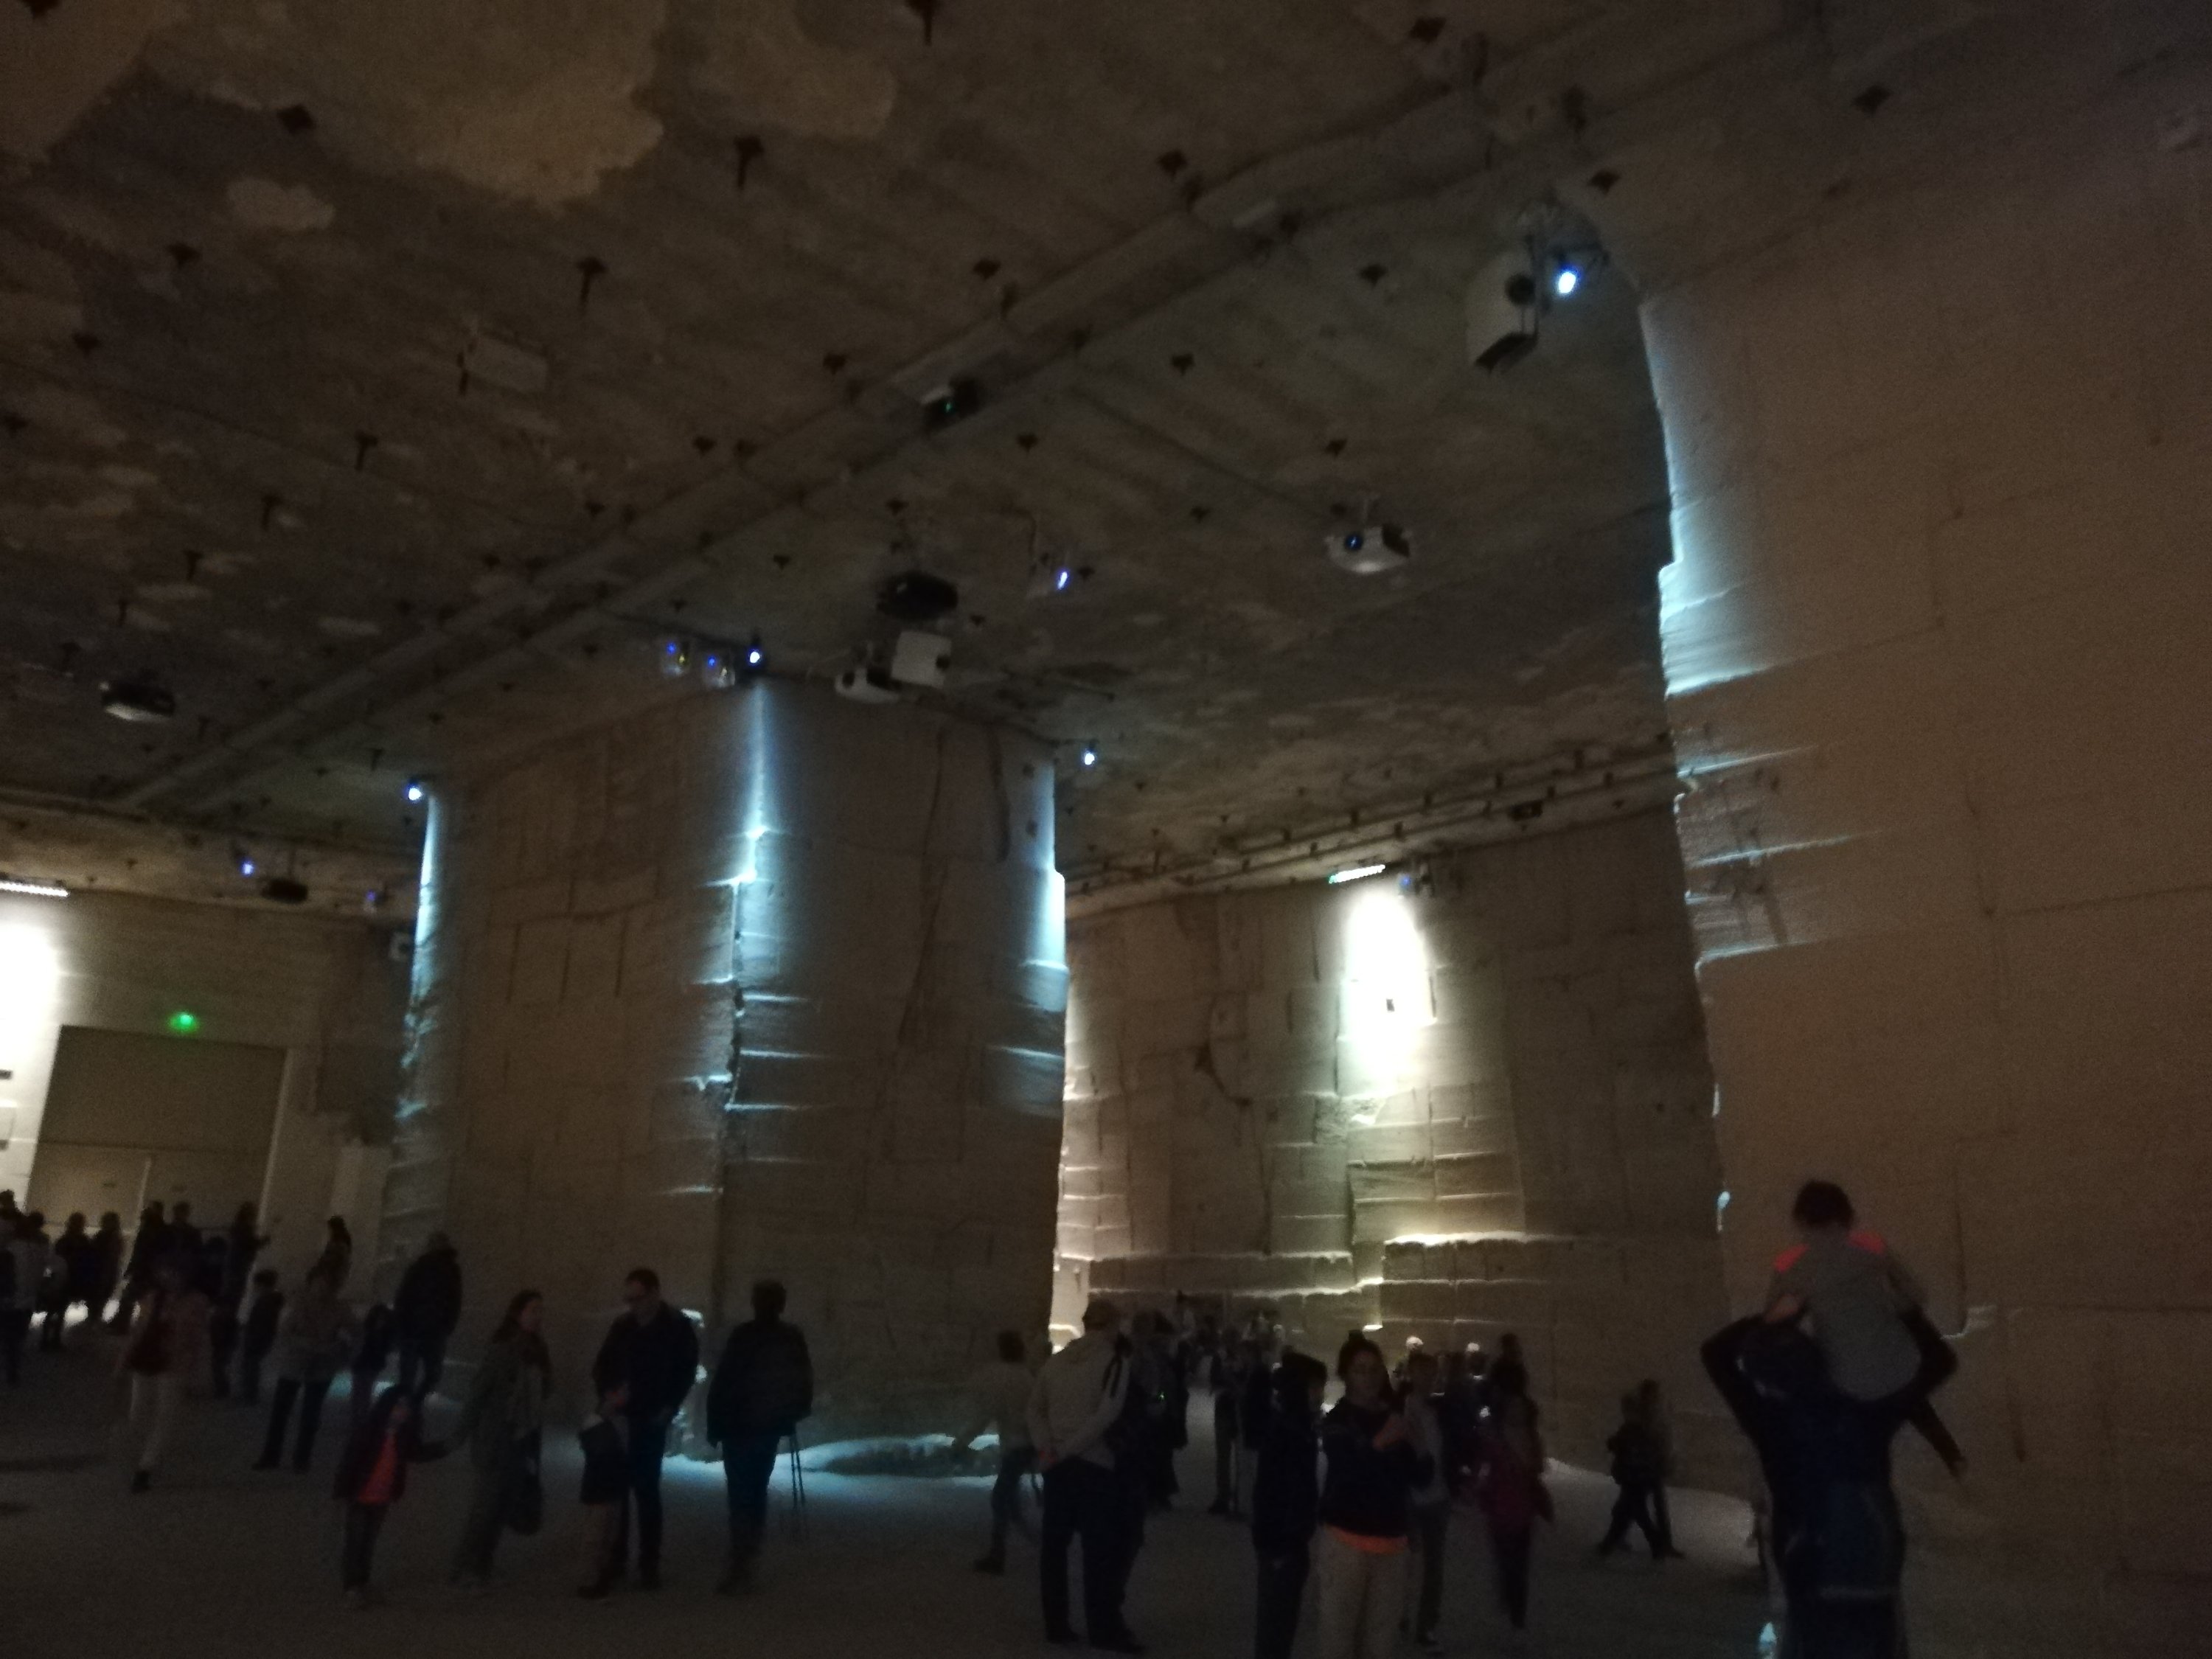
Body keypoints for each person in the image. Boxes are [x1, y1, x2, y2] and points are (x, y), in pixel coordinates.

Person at [1703, 1309, 1952, 1659]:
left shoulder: (1772, 1426)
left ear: (1766, 1379)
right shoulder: (1865, 1415)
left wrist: (1780, 1313)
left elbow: (1715, 1354)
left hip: (1812, 1584)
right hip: (1873, 1588)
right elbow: (1941, 1362)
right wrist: (1901, 1305)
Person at [1767, 1180, 1966, 1478]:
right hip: (1902, 1366)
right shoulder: (1872, 1247)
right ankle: (1950, 1454)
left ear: (1802, 1219)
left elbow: (1772, 1319)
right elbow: (1915, 1296)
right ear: (1845, 1214)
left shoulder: (1790, 1265)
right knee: (1903, 1384)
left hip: (1847, 1379)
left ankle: (1880, 1453)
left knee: (1876, 1399)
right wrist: (1885, 1305)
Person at [1030, 1296, 1140, 1653]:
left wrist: (1049, 1450)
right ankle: (1102, 1629)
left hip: (1057, 1468)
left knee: (1054, 1549)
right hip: (1094, 1467)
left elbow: (1035, 1410)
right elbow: (1106, 1415)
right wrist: (1069, 1450)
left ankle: (1056, 1624)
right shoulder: (1115, 1363)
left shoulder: (1057, 1362)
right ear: (1112, 1326)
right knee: (1099, 1552)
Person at [590, 1267, 698, 1590]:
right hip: (623, 1417)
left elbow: (685, 1370)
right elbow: (602, 1366)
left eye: (637, 1298)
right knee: (620, 1489)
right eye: (628, 1299)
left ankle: (649, 1563)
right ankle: (618, 1557)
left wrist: (669, 1406)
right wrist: (609, 1397)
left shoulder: (677, 1327)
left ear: (654, 1294)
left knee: (647, 1490)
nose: (632, 1305)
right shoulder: (623, 1326)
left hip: (651, 1418)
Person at [1314, 1334, 1421, 1659]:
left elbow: (1417, 1476)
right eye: (1360, 1370)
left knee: (1381, 1642)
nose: (1369, 1377)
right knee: (1338, 1639)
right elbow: (1348, 1472)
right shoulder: (1338, 1421)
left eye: (1375, 1369)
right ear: (1346, 1375)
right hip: (1347, 1542)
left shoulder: (1395, 1418)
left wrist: (1421, 1446)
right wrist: (1381, 1442)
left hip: (1392, 1543)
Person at [704, 1278, 813, 1594]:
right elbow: (802, 1380)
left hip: (742, 1427)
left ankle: (741, 1559)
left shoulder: (746, 1335)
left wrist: (716, 1425)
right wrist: (792, 1413)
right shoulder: (789, 1337)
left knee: (742, 1493)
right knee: (754, 1490)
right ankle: (747, 1555)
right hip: (765, 1427)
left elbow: (725, 1381)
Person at [450, 1289, 552, 1587]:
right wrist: (461, 1433)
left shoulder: (538, 1351)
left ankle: (483, 1563)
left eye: (541, 1311)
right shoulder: (502, 1350)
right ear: (517, 1313)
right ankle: (465, 1565)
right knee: (485, 1506)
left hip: (523, 1439)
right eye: (533, 1310)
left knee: (503, 1505)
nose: (538, 1316)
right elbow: (478, 1394)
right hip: (497, 1439)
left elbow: (546, 1391)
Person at [332, 1385, 445, 1607]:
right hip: (360, 1496)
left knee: (368, 1543)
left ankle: (361, 1582)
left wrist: (444, 1447)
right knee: (356, 1542)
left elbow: (418, 1453)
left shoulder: (403, 1437)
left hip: (382, 1498)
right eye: (398, 1406)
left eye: (406, 1407)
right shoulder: (368, 1432)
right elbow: (349, 1463)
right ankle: (352, 1586)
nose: (402, 1411)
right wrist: (341, 1491)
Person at [1252, 1352, 1328, 1659]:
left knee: (1281, 1621)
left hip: (1289, 1540)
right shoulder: (1289, 1432)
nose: (1320, 1394)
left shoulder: (1296, 1426)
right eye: (1315, 1387)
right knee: (1277, 1623)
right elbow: (1274, 1492)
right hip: (1283, 1542)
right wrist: (1279, 1545)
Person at [118, 1256, 211, 1492]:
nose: (168, 1277)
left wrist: (199, 1370)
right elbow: (139, 1329)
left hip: (176, 1364)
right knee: (138, 1413)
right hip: (148, 1358)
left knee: (164, 1417)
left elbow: (199, 1338)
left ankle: (146, 1467)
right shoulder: (153, 1297)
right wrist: (124, 1360)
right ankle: (140, 1458)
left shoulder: (197, 1302)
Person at [1473, 1357, 1550, 1635]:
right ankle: (1514, 1609)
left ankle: (1516, 1614)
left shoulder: (1516, 1434)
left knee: (1516, 1566)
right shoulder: (1498, 1436)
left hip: (1518, 1509)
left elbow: (1537, 1467)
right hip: (1503, 1509)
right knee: (1510, 1564)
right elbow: (1485, 1469)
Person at [256, 1266, 356, 1472]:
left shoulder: (340, 1308)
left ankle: (301, 1458)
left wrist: (339, 1347)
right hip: (295, 1362)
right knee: (281, 1412)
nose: (321, 1289)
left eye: (326, 1285)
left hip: (322, 1365)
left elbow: (355, 1332)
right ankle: (271, 1455)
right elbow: (285, 1332)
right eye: (317, 1285)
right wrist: (305, 1343)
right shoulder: (300, 1305)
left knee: (311, 1413)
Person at [954, 1329, 1036, 1575]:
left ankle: (998, 1555)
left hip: (1017, 1446)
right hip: (1027, 1444)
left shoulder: (1003, 1379)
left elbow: (984, 1415)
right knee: (1010, 1499)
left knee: (1001, 1498)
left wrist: (961, 1442)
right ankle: (1036, 1541)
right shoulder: (1026, 1376)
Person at [1402, 1348, 1453, 1650]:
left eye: (1432, 1373)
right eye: (1423, 1372)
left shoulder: (1439, 1410)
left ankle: (1426, 1626)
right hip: (1410, 1497)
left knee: (1434, 1568)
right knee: (1405, 1563)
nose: (1428, 1379)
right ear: (1411, 1374)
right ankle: (1401, 1614)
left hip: (1438, 1496)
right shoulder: (1403, 1409)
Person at [1598, 1380, 1683, 1560]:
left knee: (1634, 1508)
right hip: (1641, 1472)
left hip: (1641, 1472)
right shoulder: (1643, 1421)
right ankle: (1655, 1544)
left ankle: (1617, 1542)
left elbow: (1650, 1445)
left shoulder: (1643, 1423)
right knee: (1633, 1508)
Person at [576, 1385, 631, 1599]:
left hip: (609, 1485)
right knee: (596, 1534)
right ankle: (590, 1578)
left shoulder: (615, 1423)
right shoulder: (597, 1424)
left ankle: (600, 1574)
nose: (626, 1396)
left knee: (607, 1533)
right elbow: (603, 1454)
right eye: (621, 1392)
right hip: (602, 1486)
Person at [392, 1231, 463, 1397]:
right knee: (431, 1374)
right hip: (434, 1329)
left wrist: (400, 1324)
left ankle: (407, 1405)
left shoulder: (418, 1267)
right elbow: (455, 1299)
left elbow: (403, 1297)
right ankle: (414, 1403)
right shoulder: (451, 1269)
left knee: (409, 1376)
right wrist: (448, 1324)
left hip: (414, 1328)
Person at [1, 1211, 48, 1382]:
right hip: (28, 1300)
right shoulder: (39, 1249)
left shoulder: (10, 1250)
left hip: (10, 1299)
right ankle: (13, 1371)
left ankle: (10, 1368)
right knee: (17, 1338)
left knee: (7, 1335)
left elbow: (6, 1276)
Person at [42, 1211, 94, 1349]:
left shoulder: (65, 1241)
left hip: (63, 1278)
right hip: (69, 1279)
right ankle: (52, 1339)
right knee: (58, 1310)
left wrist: (48, 1279)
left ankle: (48, 1339)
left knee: (55, 1310)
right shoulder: (81, 1241)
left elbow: (54, 1262)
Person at [112, 1203, 167, 1330]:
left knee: (130, 1297)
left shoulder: (148, 1233)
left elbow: (139, 1253)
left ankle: (122, 1324)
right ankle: (122, 1323)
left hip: (144, 1271)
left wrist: (132, 1269)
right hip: (149, 1271)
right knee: (133, 1297)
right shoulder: (159, 1231)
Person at [1208, 1334, 1245, 1517]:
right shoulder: (1223, 1357)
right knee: (1228, 1458)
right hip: (1229, 1411)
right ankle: (1230, 1497)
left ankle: (1230, 1497)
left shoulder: (1237, 1358)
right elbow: (1215, 1379)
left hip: (1232, 1411)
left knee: (1229, 1458)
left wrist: (1229, 1380)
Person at [238, 1268, 284, 1404]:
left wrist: (251, 1338)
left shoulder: (265, 1302)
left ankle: (249, 1395)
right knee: (252, 1366)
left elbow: (260, 1324)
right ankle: (249, 1394)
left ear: (262, 1285)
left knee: (250, 1367)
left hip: (257, 1339)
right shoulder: (271, 1301)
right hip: (262, 1339)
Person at [350, 1302, 397, 1430]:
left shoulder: (377, 1333)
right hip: (365, 1364)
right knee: (361, 1391)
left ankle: (360, 1419)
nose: (380, 1321)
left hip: (368, 1364)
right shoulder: (380, 1334)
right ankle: (359, 1419)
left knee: (362, 1391)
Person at [88, 1211, 125, 1324]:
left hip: (104, 1271)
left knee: (100, 1297)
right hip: (104, 1270)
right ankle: (95, 1317)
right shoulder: (113, 1237)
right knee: (100, 1297)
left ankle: (94, 1318)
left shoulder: (105, 1237)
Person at [312, 1216, 354, 1290]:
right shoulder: (335, 1241)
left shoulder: (341, 1243)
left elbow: (337, 1258)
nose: (330, 1230)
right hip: (330, 1273)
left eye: (332, 1228)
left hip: (334, 1274)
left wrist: (322, 1267)